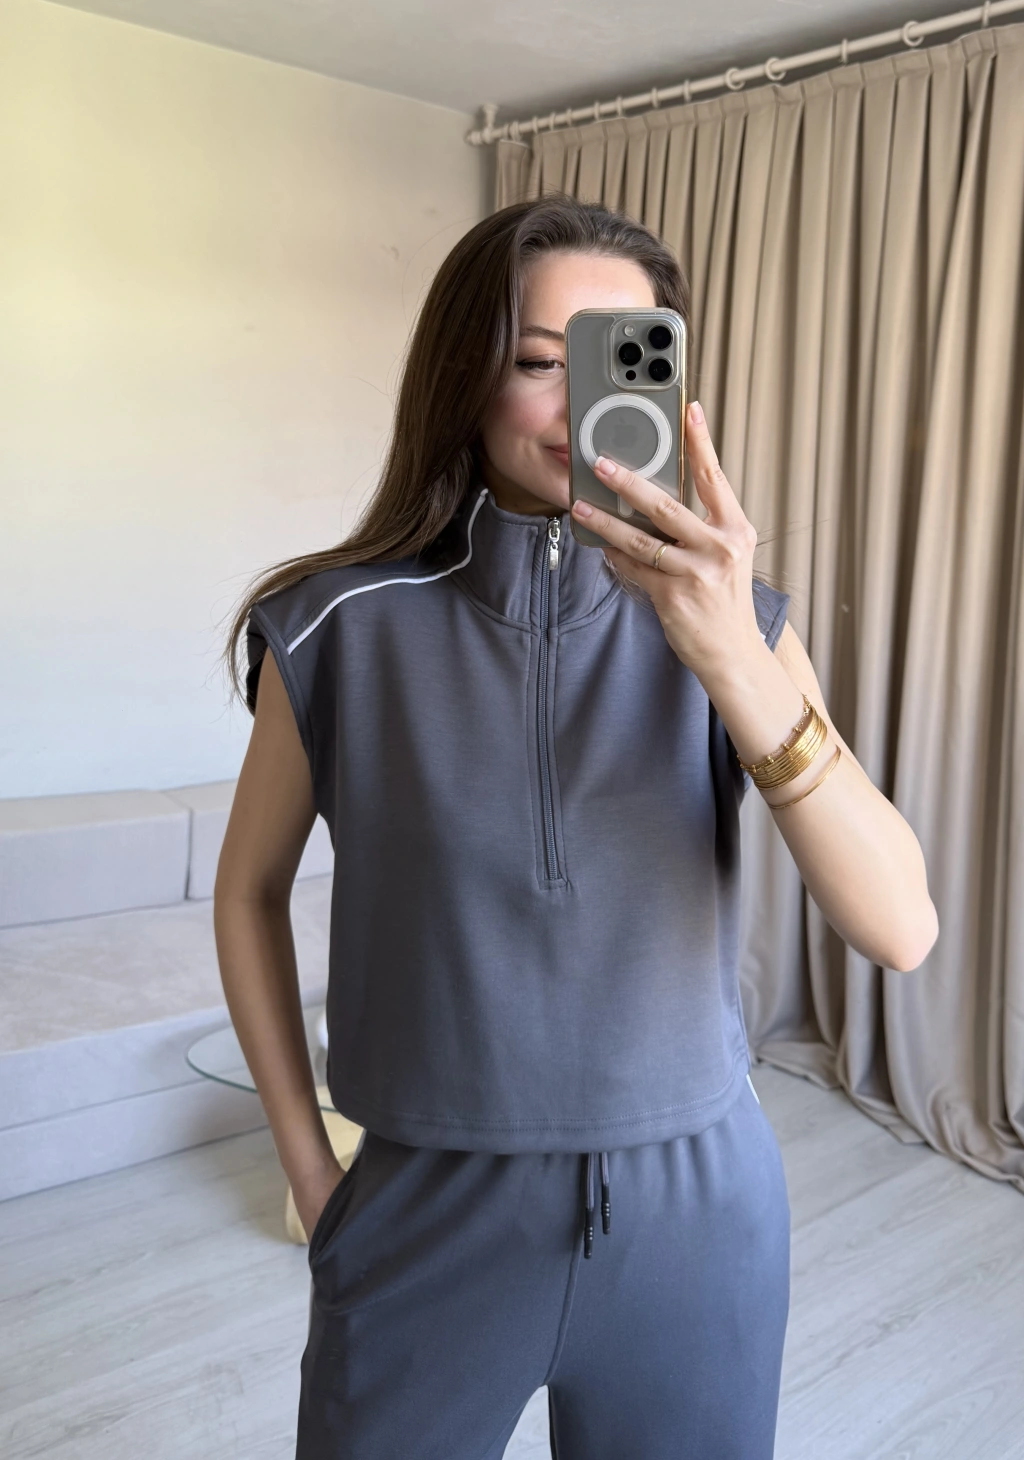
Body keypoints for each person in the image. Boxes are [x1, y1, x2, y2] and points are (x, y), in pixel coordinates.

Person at [215, 195, 938, 1460]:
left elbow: (900, 928)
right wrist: (317, 1178)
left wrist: (735, 658)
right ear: (464, 374)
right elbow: (247, 892)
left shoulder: (738, 624)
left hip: (698, 1214)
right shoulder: (336, 625)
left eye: (625, 360)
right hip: (424, 1209)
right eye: (541, 361)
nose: (579, 406)